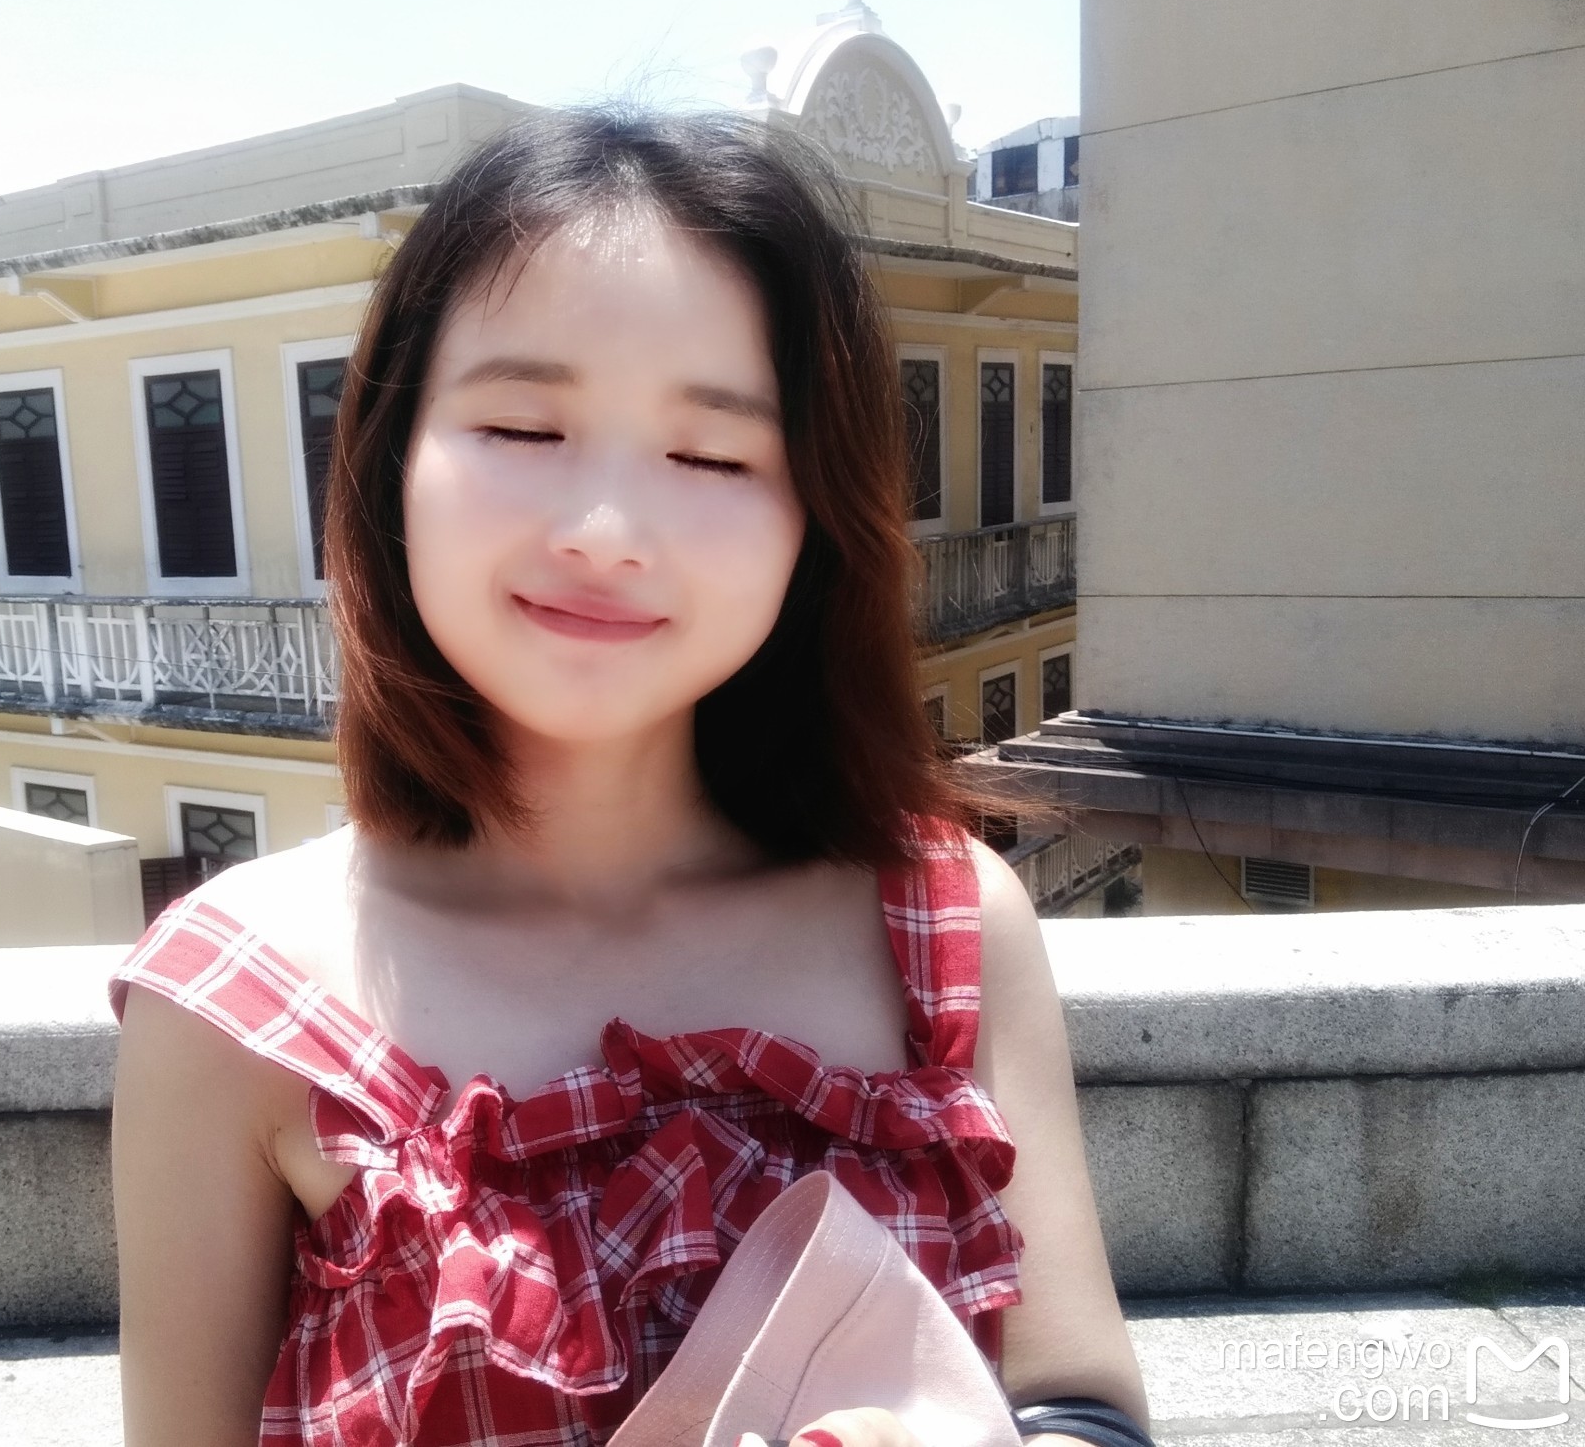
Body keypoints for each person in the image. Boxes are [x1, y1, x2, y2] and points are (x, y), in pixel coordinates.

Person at [105, 105, 1150, 1447]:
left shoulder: (943, 928)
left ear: (813, 516)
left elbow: (1080, 1402)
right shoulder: (235, 1004)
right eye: (523, 428)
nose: (605, 532)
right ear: (391, 460)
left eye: (711, 454)